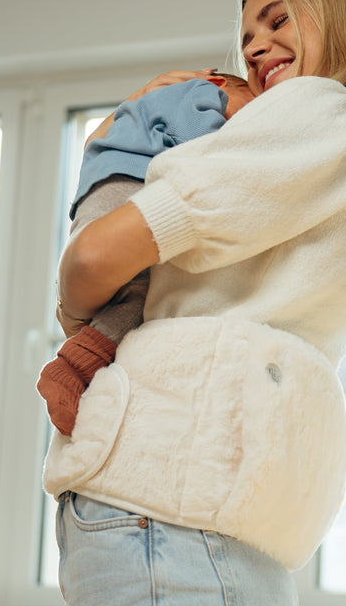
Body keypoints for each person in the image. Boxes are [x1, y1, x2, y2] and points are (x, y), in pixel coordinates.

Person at [45, 0, 346, 606]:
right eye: (247, 33)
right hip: (226, 519)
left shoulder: (325, 114)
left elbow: (87, 263)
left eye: (279, 19)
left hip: (162, 498)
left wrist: (141, 119)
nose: (255, 47)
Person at [37, 73, 256, 436]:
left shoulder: (144, 109)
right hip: (126, 184)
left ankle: (76, 368)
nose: (248, 117)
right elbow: (197, 146)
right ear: (221, 82)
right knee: (144, 289)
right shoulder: (201, 94)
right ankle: (72, 367)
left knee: (133, 295)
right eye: (248, 103)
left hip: (98, 193)